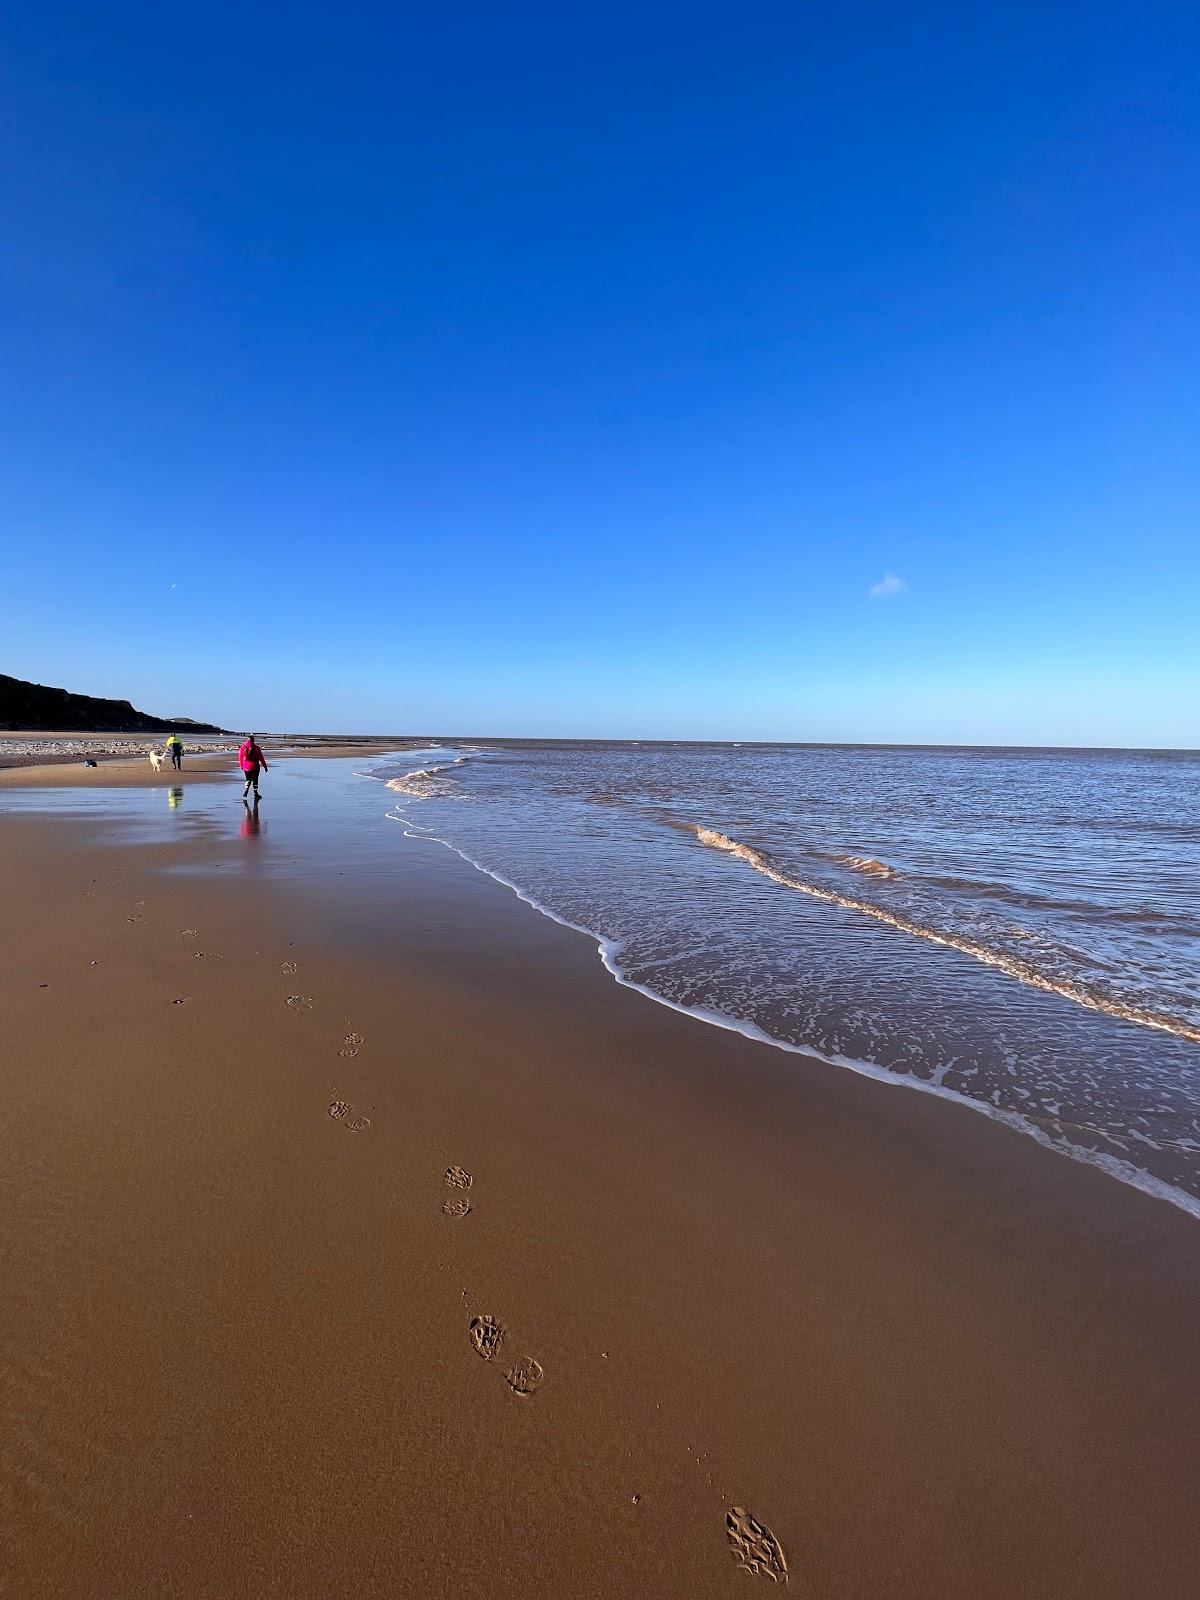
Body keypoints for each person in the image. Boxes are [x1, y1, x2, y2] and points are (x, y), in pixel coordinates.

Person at [239, 733, 268, 800]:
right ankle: (255, 793)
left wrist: (241, 766)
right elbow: (261, 758)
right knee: (255, 780)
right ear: (253, 740)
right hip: (255, 766)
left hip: (246, 766)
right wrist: (265, 766)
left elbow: (240, 757)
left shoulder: (243, 747)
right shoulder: (256, 748)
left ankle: (246, 791)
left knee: (248, 779)